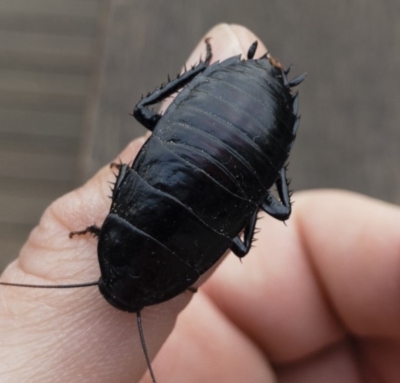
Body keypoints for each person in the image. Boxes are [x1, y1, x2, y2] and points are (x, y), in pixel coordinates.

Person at [1, 24, 399, 383]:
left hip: (250, 143)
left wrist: (267, 161)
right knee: (148, 116)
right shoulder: (123, 233)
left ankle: (235, 99)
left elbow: (235, 239)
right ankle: (214, 74)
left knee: (275, 210)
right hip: (214, 123)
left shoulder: (179, 276)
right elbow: (124, 175)